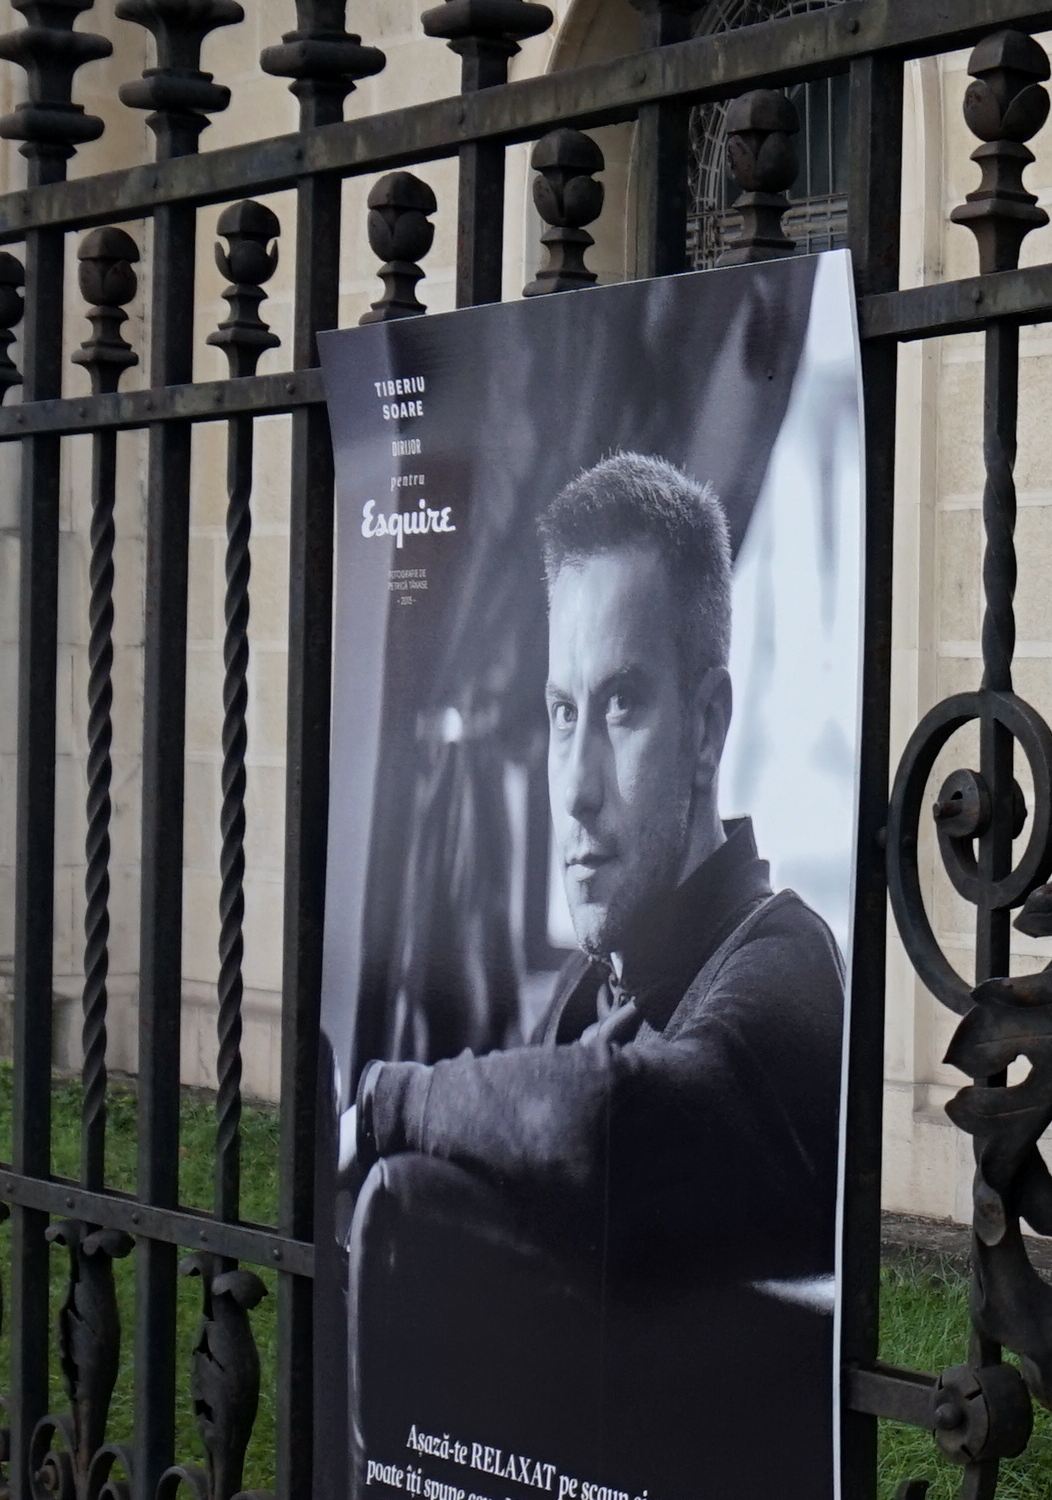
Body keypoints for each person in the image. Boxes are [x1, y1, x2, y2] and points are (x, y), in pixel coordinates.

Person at [345, 449, 843, 1299]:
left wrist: (386, 1104)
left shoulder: (787, 963)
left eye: (621, 705)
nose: (575, 788)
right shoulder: (591, 985)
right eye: (564, 713)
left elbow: (600, 1120)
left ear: (708, 727)